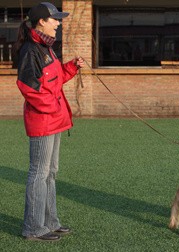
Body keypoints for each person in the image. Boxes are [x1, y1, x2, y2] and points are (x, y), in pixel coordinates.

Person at [13, 2, 84, 241]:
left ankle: (50, 222)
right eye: (55, 19)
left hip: (54, 119)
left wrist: (72, 67)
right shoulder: (30, 49)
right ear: (42, 21)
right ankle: (33, 227)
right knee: (39, 173)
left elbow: (55, 78)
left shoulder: (47, 47)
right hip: (43, 121)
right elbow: (27, 87)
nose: (59, 22)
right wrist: (53, 107)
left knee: (50, 173)